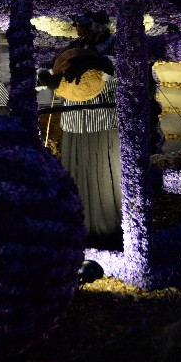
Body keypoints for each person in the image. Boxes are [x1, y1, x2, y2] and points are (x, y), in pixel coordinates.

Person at [50, 13, 121, 245]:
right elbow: (59, 68)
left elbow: (122, 68)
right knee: (76, 169)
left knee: (100, 170)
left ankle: (104, 225)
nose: (75, 27)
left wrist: (99, 64)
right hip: (73, 118)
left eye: (80, 22)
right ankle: (76, 222)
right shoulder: (75, 46)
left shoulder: (116, 43)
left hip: (100, 120)